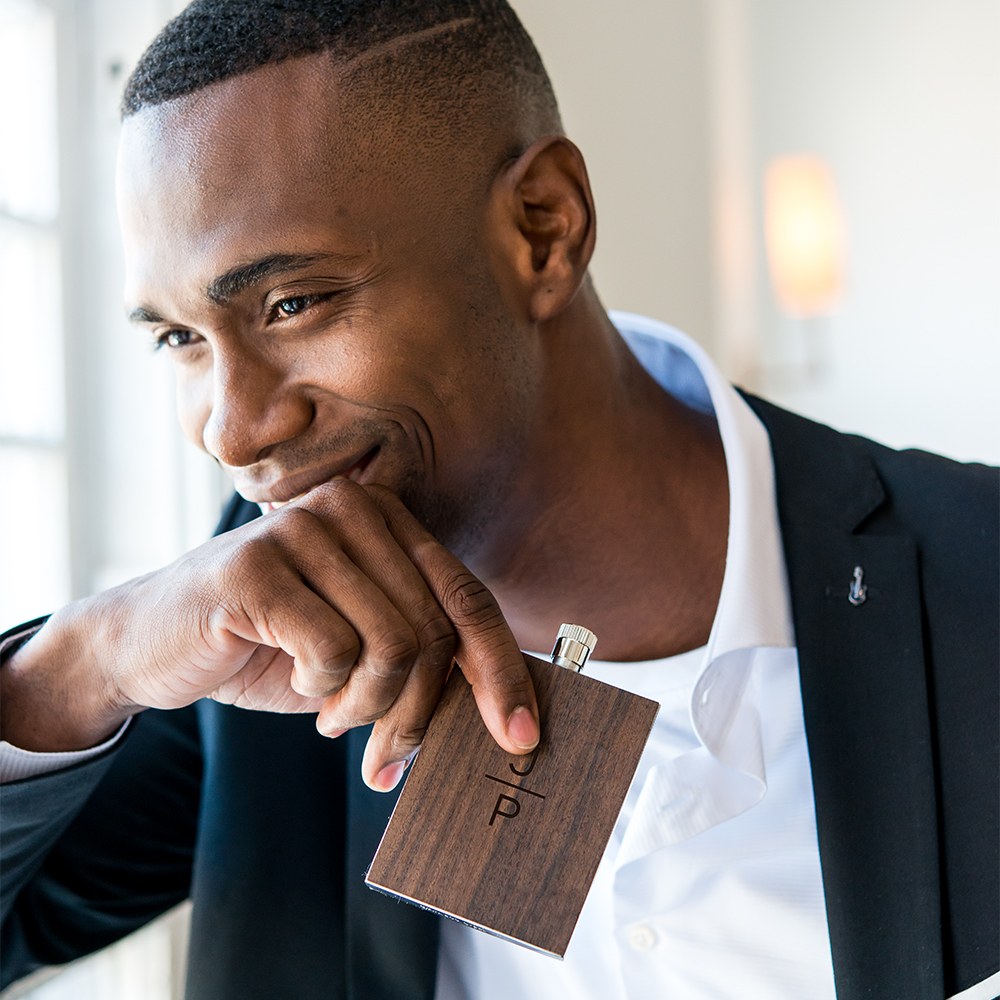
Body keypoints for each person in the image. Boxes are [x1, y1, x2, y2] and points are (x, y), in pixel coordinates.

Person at [1, 2, 996, 998]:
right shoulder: (268, 630)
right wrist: (91, 655)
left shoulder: (974, 581)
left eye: (291, 303)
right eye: (178, 338)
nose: (230, 428)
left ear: (543, 229)